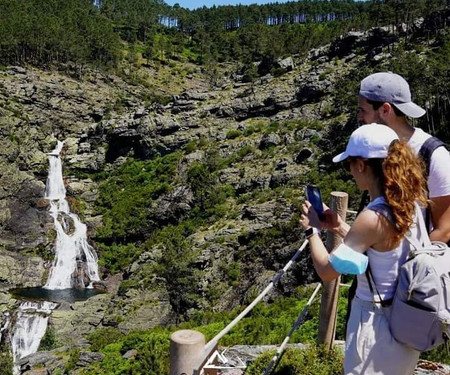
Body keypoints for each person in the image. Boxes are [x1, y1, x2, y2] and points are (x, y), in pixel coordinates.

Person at [300, 124, 427, 375]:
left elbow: (327, 271)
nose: (349, 171)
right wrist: (338, 227)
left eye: (349, 165)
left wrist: (310, 231)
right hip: (407, 323)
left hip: (375, 327)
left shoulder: (372, 216)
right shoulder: (411, 203)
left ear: (361, 165)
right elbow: (382, 247)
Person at [357, 72, 450, 243]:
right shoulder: (379, 149)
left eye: (363, 110)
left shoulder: (434, 155)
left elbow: (444, 231)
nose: (359, 117)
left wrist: (408, 266)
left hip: (415, 266)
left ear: (385, 109)